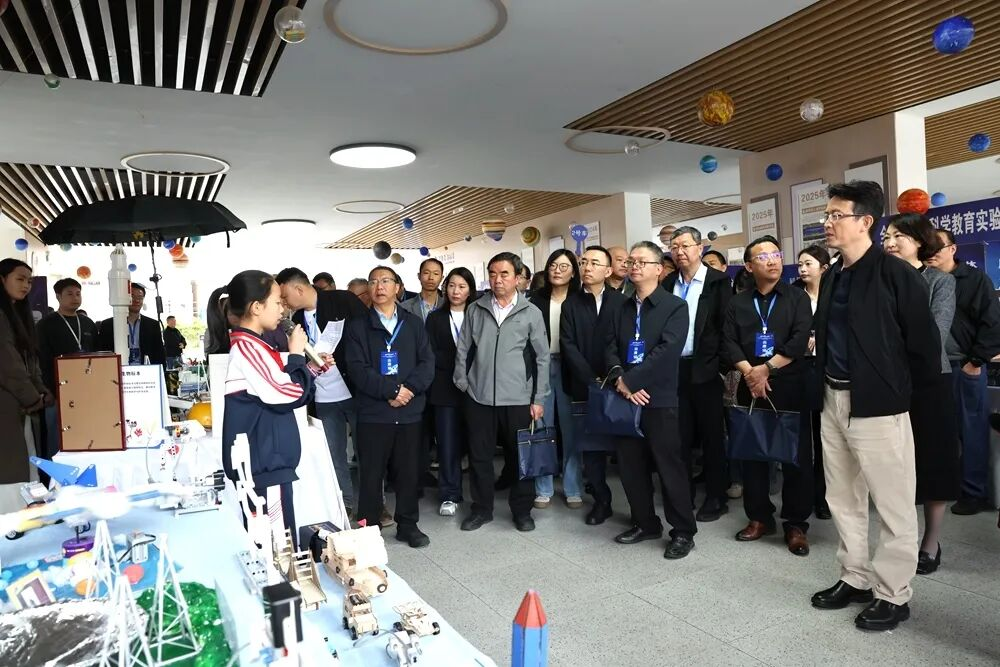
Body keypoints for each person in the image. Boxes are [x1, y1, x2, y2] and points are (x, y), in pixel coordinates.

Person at [808, 181, 940, 632]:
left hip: (879, 404)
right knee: (843, 497)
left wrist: (906, 399)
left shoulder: (895, 273)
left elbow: (923, 346)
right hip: (833, 398)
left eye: (836, 215)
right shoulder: (834, 274)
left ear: (865, 221)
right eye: (826, 215)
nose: (827, 223)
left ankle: (893, 593)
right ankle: (855, 576)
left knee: (893, 503)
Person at [605, 241, 697, 559]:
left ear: (659, 269)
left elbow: (667, 351)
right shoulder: (620, 307)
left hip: (659, 397)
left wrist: (631, 381)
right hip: (624, 398)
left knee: (669, 466)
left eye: (642, 262)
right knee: (630, 466)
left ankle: (683, 531)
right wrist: (621, 381)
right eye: (631, 262)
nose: (634, 266)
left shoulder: (675, 306)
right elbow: (609, 347)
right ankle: (645, 523)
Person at [722, 236, 813, 556]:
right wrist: (752, 373)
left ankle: (796, 523)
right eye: (763, 257)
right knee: (753, 454)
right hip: (750, 386)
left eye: (776, 254)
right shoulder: (738, 303)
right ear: (749, 266)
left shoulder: (797, 297)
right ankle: (760, 517)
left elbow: (800, 339)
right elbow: (729, 342)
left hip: (789, 385)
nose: (772, 260)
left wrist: (767, 370)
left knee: (796, 456)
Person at [883, 214, 961, 574]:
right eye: (887, 236)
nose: (890, 242)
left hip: (929, 381)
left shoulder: (939, 281)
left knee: (933, 460)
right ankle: (900, 540)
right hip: (888, 383)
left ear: (918, 241)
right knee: (894, 466)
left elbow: (936, 333)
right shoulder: (879, 282)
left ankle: (931, 541)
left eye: (899, 235)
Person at [454, 251, 549, 533]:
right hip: (479, 396)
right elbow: (463, 349)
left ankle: (522, 511)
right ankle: (481, 510)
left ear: (518, 278)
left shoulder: (531, 312)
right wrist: (464, 382)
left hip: (518, 398)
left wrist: (538, 398)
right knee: (480, 457)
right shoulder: (476, 309)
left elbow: (542, 358)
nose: (497, 279)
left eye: (504, 274)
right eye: (493, 273)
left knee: (520, 457)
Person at [344, 266, 434, 548]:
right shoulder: (357, 326)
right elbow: (357, 369)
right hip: (374, 413)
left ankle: (408, 525)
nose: (379, 286)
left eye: (385, 281)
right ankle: (368, 528)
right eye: (373, 282)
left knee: (408, 472)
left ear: (398, 287)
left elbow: (427, 363)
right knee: (371, 474)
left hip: (409, 411)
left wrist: (408, 391)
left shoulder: (413, 323)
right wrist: (392, 391)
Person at [221, 270, 313, 539]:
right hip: (265, 465)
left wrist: (309, 370)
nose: (282, 309)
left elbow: (280, 387)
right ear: (256, 307)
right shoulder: (248, 348)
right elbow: (288, 393)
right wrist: (296, 355)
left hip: (268, 463)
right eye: (277, 302)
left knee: (274, 542)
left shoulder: (255, 346)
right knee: (277, 546)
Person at [276, 267, 367, 517]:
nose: (283, 302)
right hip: (323, 396)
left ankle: (375, 505)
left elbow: (367, 336)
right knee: (335, 455)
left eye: (284, 295)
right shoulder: (295, 322)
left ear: (298, 288)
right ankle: (344, 505)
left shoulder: (342, 300)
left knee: (367, 452)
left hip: (355, 388)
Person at [927, 229, 1000, 516]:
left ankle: (973, 493)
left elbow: (992, 324)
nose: (931, 252)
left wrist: (975, 362)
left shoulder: (974, 279)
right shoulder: (922, 279)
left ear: (952, 249)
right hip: (933, 369)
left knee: (971, 431)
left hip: (964, 366)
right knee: (939, 432)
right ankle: (944, 488)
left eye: (938, 246)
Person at [662, 226, 732, 521]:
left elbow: (726, 327)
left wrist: (720, 367)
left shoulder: (718, 282)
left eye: (685, 245)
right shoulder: (668, 283)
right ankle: (683, 494)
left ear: (700, 248)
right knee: (679, 437)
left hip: (707, 368)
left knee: (712, 436)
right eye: (674, 246)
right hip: (674, 369)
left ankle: (716, 497)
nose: (679, 251)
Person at [561, 245, 626, 524]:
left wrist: (615, 376)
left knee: (625, 446)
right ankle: (602, 501)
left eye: (594, 263)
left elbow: (625, 342)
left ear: (608, 270)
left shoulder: (622, 302)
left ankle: (637, 505)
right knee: (591, 448)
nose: (587, 267)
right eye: (584, 262)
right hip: (585, 385)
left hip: (620, 385)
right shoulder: (571, 304)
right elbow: (568, 345)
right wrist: (591, 378)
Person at [530, 249, 582, 509]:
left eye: (563, 266)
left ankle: (573, 486)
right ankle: (543, 487)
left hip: (570, 368)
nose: (557, 270)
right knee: (542, 427)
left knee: (571, 430)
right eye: (553, 265)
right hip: (542, 366)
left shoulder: (581, 299)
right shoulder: (535, 299)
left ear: (573, 272)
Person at [0, 259, 51, 512]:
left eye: (29, 281)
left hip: (22, 406)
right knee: (11, 467)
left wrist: (40, 390)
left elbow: (30, 361)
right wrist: (33, 397)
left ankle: (26, 518)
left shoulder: (17, 315)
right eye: (20, 279)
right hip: (9, 404)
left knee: (26, 461)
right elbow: (8, 364)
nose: (26, 285)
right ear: (2, 280)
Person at [426, 267, 477, 516]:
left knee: (477, 444)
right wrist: (458, 362)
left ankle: (480, 495)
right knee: (447, 444)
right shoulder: (435, 318)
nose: (456, 291)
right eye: (452, 286)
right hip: (444, 388)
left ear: (470, 290)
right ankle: (449, 494)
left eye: (462, 286)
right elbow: (429, 352)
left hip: (476, 388)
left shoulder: (478, 315)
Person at [36, 278, 98, 457]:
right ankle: (53, 471)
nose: (75, 298)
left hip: (87, 390)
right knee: (56, 436)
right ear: (58, 296)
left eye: (78, 294)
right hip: (57, 391)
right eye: (69, 294)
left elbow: (98, 355)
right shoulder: (46, 324)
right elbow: (42, 360)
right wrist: (48, 390)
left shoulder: (88, 323)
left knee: (85, 432)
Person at [796, 245, 831, 520]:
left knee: (825, 438)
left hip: (827, 369)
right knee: (801, 437)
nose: (803, 269)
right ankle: (802, 496)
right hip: (799, 369)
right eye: (800, 264)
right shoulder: (794, 295)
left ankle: (823, 496)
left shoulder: (835, 294)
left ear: (824, 268)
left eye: (808, 263)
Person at [97, 283, 165, 366]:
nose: (137, 300)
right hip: (118, 370)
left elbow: (160, 354)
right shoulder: (107, 325)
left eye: (140, 297)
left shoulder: (153, 325)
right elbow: (102, 355)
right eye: (132, 296)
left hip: (146, 371)